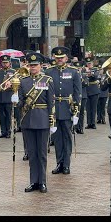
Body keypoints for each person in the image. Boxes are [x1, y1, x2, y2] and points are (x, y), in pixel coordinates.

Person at [12, 52, 55, 193]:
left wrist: (52, 121)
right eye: (31, 65)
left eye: (35, 65)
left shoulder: (47, 80)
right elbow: (22, 103)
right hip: (28, 120)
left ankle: (42, 182)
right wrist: (15, 100)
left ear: (40, 65)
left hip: (42, 119)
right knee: (32, 153)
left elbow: (51, 103)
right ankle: (33, 181)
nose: (33, 68)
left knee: (42, 153)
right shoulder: (23, 81)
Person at [45, 46, 81, 175]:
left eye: (62, 58)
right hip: (54, 109)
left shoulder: (74, 72)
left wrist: (76, 112)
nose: (59, 59)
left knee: (66, 137)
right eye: (57, 57)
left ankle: (66, 164)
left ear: (66, 58)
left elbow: (77, 94)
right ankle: (59, 163)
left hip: (67, 108)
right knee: (57, 138)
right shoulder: (49, 72)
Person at [0, 55, 15, 138]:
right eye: (3, 63)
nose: (5, 64)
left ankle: (8, 131)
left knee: (8, 115)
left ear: (9, 63)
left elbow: (16, 84)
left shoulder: (13, 72)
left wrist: (10, 85)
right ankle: (3, 131)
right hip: (0, 96)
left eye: (6, 62)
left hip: (8, 96)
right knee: (1, 115)